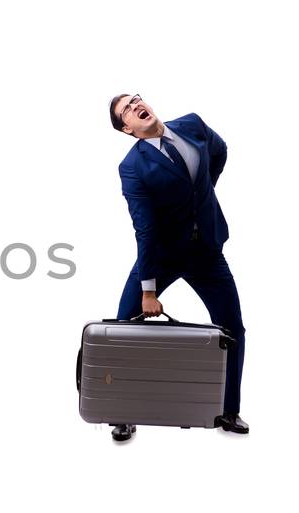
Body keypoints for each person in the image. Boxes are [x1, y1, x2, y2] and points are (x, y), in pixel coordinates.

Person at [106, 93, 250, 441]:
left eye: (135, 98)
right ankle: (121, 412)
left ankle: (229, 410)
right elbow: (145, 229)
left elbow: (220, 152)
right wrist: (149, 291)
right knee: (123, 326)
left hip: (207, 252)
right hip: (164, 253)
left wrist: (201, 195)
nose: (135, 105)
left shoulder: (192, 126)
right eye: (126, 108)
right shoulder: (132, 166)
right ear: (127, 127)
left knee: (233, 329)